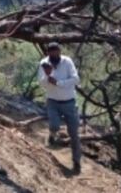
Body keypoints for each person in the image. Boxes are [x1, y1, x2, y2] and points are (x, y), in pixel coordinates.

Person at [37, 42, 82, 173]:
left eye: (56, 51)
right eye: (51, 52)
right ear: (48, 53)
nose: (54, 54)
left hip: (69, 102)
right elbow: (42, 83)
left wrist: (59, 83)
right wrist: (47, 75)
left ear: (59, 51)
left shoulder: (67, 62)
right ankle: (51, 135)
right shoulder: (44, 63)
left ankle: (76, 162)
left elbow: (75, 79)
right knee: (54, 125)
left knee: (74, 134)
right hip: (52, 102)